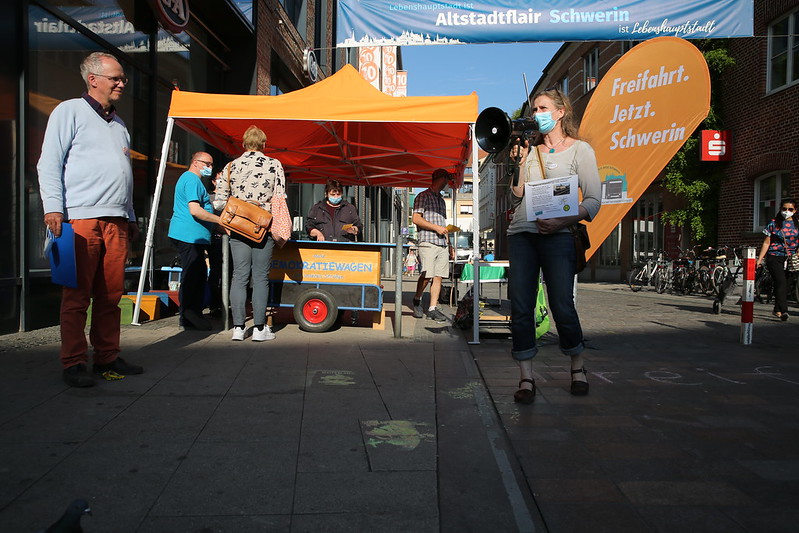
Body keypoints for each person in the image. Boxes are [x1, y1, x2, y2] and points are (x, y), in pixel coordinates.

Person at [37, 52, 143, 387]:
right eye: (116, 78)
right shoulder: (69, 111)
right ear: (93, 79)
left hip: (116, 219)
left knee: (111, 295)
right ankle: (73, 362)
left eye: (123, 78)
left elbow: (123, 175)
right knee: (77, 295)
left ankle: (107, 356)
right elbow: (49, 162)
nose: (122, 83)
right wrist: (53, 208)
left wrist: (130, 215)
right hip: (80, 218)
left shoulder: (120, 124)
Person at [507, 86, 601, 403]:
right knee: (521, 306)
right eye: (534, 109)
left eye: (543, 108)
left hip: (559, 236)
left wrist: (562, 221)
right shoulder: (528, 151)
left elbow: (594, 200)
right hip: (522, 235)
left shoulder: (580, 150)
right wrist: (519, 162)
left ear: (561, 112)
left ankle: (577, 366)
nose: (537, 114)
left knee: (561, 304)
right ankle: (526, 377)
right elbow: (516, 196)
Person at [214, 125, 286, 342]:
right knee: (261, 277)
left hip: (238, 227)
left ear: (244, 144)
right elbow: (280, 197)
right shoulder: (274, 164)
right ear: (264, 144)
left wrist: (241, 203)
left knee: (239, 275)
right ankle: (259, 328)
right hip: (263, 226)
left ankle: (238, 327)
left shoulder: (231, 166)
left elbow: (219, 202)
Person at [168, 152, 221, 331]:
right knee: (193, 275)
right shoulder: (191, 180)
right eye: (208, 164)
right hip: (188, 235)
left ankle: (191, 314)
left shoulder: (193, 180)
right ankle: (189, 314)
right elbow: (195, 210)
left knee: (197, 274)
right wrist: (220, 221)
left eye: (211, 164)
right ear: (196, 163)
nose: (210, 168)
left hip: (192, 236)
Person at [412, 169, 455, 323]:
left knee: (439, 276)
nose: (448, 183)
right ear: (440, 179)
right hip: (428, 241)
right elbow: (416, 219)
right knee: (427, 274)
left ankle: (432, 308)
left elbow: (443, 224)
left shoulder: (441, 200)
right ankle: (417, 299)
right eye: (447, 179)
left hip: (442, 243)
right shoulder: (423, 196)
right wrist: (436, 228)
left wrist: (450, 245)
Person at [757, 200, 798, 321]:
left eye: (790, 209)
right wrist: (760, 259)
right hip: (774, 256)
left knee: (786, 284)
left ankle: (777, 309)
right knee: (781, 282)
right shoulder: (773, 223)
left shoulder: (797, 224)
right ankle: (784, 310)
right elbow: (766, 242)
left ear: (795, 211)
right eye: (784, 209)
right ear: (780, 209)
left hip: (791, 258)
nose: (787, 212)